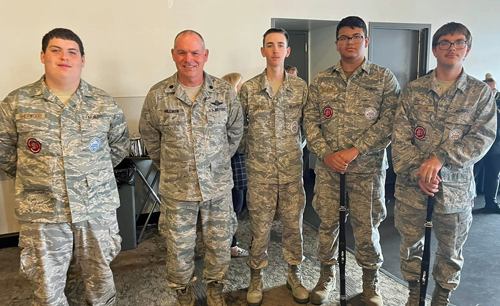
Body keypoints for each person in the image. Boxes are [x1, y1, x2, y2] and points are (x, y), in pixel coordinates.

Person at [0, 28, 129, 306]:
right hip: (43, 211)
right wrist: (37, 177)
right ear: (43, 56)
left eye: (72, 52)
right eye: (56, 50)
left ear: (83, 60)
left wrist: (91, 174)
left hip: (95, 208)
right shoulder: (17, 103)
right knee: (47, 289)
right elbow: (4, 152)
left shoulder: (103, 102)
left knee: (101, 283)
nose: (64, 57)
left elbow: (118, 146)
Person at [392, 22, 496, 306]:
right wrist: (420, 172)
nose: (452, 48)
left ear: (467, 49)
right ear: (435, 49)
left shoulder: (480, 93)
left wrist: (440, 160)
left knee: (450, 251)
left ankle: (441, 296)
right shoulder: (413, 91)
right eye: (445, 43)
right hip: (413, 190)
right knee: (411, 246)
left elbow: (482, 138)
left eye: (459, 42)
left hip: (455, 192)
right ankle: (414, 293)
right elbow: (400, 141)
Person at [139, 30, 243, 306]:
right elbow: (150, 136)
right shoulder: (158, 94)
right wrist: (172, 165)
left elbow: (235, 131)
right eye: (182, 52)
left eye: (195, 52)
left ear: (205, 55)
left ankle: (215, 290)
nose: (189, 59)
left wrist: (216, 161)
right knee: (178, 248)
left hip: (217, 187)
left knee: (219, 245)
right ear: (173, 55)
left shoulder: (224, 92)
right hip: (177, 188)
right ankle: (183, 294)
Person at [304, 16, 400, 306]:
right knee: (328, 226)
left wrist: (355, 150)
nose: (350, 42)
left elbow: (388, 124)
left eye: (356, 36)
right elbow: (309, 123)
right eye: (344, 37)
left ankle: (371, 283)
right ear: (336, 43)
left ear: (366, 41)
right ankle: (326, 277)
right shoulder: (321, 81)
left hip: (367, 171)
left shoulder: (384, 78)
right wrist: (326, 153)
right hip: (329, 170)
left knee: (367, 227)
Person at [239, 28, 309, 306]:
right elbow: (239, 129)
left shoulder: (301, 88)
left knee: (294, 228)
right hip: (260, 175)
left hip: (292, 173)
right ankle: (256, 278)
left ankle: (295, 274)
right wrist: (254, 151)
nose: (276, 50)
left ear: (288, 51)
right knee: (260, 229)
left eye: (281, 45)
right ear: (263, 51)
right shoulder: (249, 89)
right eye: (270, 45)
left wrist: (297, 147)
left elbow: (308, 127)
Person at [221, 72, 250, 258]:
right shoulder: (228, 109)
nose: (244, 87)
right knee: (233, 207)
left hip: (239, 164)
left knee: (237, 206)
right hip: (231, 164)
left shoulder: (239, 107)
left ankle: (230, 244)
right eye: (241, 85)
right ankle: (229, 245)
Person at [473, 73, 500, 213]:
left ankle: (491, 203)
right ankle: (468, 202)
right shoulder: (475, 101)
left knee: (494, 175)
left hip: (495, 144)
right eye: (488, 89)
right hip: (477, 144)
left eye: (493, 89)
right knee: (472, 173)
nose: (492, 92)